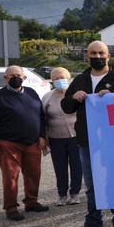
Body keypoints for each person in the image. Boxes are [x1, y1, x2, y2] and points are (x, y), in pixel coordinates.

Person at [63, 41, 114, 227]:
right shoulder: (80, 80)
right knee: (91, 186)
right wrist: (73, 97)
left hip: (113, 141)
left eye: (101, 53)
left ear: (108, 56)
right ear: (87, 56)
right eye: (93, 53)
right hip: (86, 141)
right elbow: (66, 107)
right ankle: (93, 225)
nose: (97, 56)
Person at [0, 65, 49, 221]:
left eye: (18, 75)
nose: (15, 78)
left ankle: (31, 202)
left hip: (32, 143)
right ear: (5, 78)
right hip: (8, 145)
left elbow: (41, 116)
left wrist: (42, 136)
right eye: (11, 75)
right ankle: (11, 208)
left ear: (24, 77)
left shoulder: (31, 93)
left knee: (33, 175)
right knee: (11, 177)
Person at [42, 67, 82, 206]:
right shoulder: (47, 97)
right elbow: (43, 118)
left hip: (76, 137)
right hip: (55, 138)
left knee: (77, 166)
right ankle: (62, 195)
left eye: (62, 77)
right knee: (60, 168)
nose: (59, 81)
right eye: (56, 78)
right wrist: (44, 139)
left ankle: (75, 194)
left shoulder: (76, 95)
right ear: (52, 81)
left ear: (69, 78)